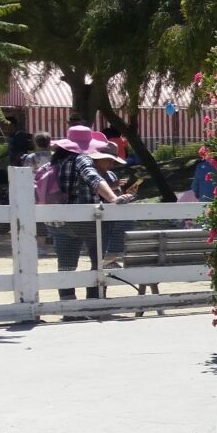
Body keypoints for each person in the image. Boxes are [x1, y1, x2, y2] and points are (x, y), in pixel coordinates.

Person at [45, 127, 135, 302]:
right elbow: (93, 178)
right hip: (84, 221)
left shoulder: (57, 161)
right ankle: (95, 301)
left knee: (66, 267)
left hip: (57, 221)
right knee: (98, 263)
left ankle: (68, 306)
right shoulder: (81, 159)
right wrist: (113, 198)